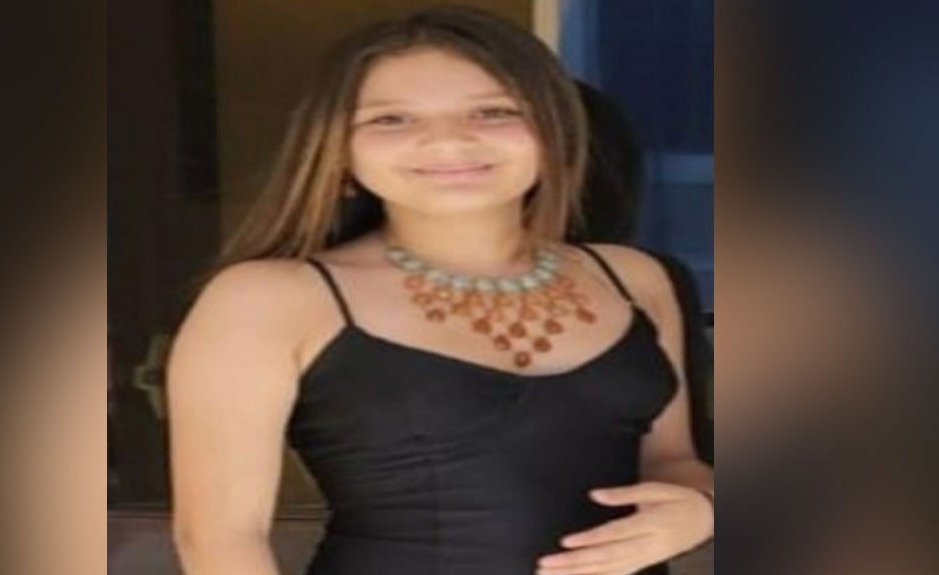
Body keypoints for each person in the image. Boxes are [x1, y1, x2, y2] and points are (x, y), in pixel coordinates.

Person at [168, 7, 713, 575]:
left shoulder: (633, 279)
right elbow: (219, 541)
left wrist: (701, 510)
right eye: (391, 119)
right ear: (337, 150)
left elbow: (673, 461)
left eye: (493, 111)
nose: (448, 139)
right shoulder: (270, 299)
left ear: (555, 131)